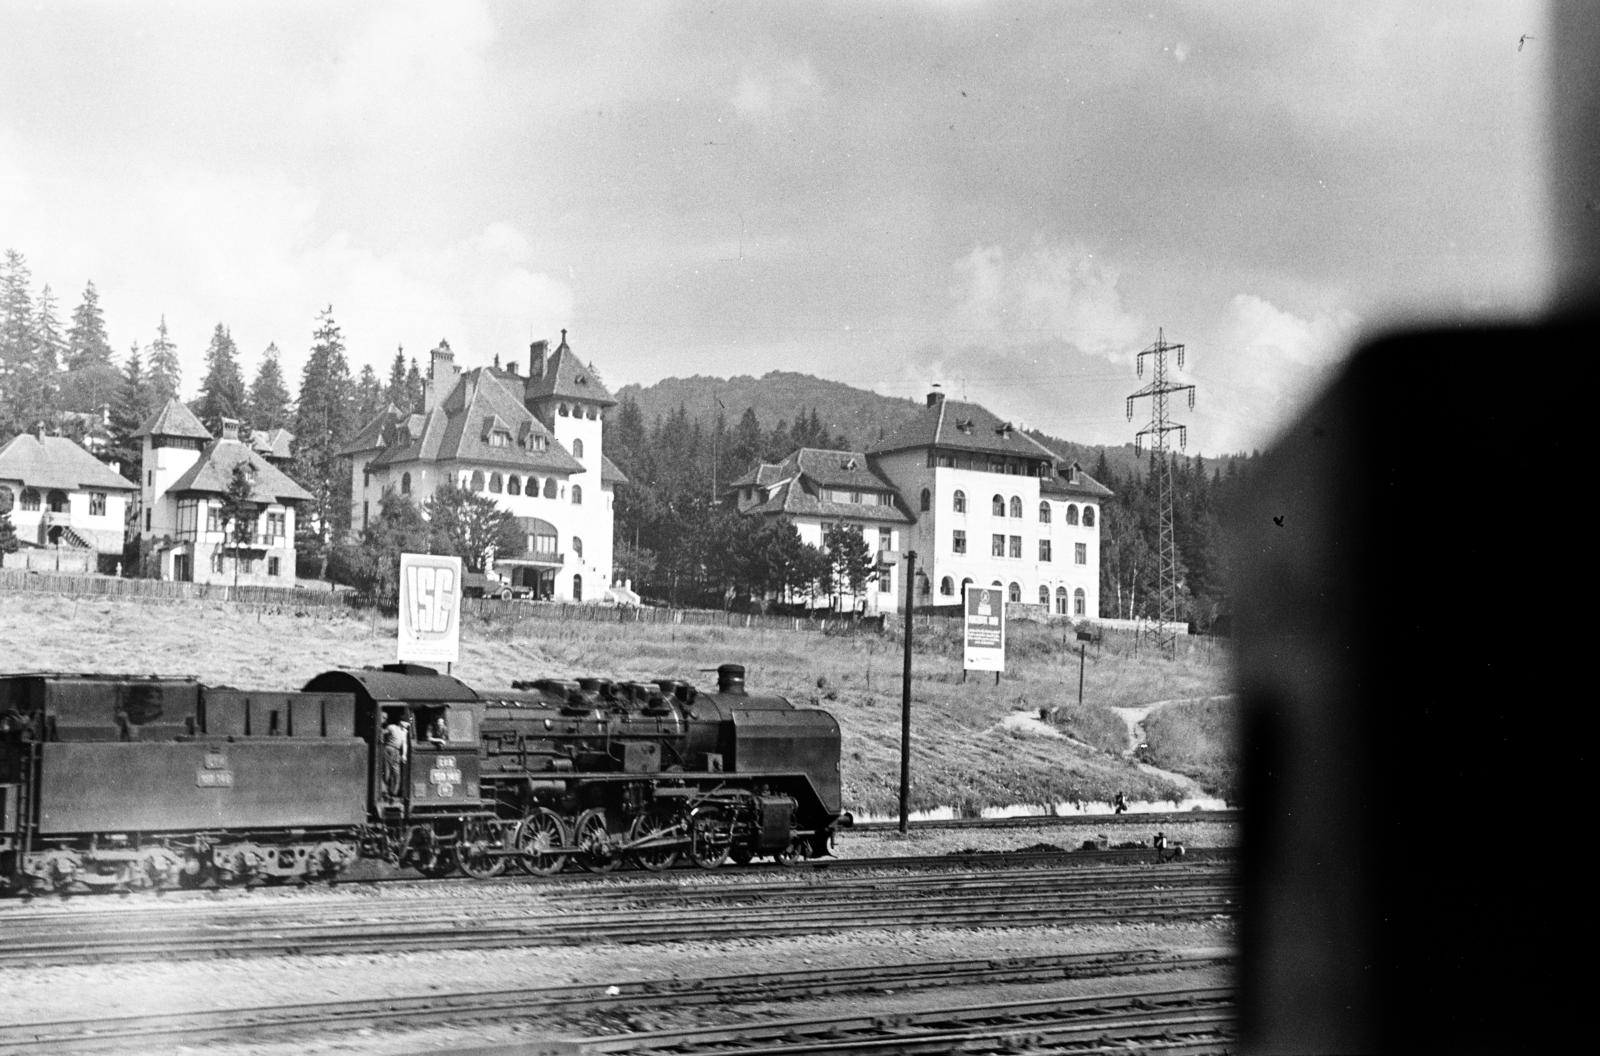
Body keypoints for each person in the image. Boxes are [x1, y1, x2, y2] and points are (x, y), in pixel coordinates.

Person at [382, 717, 409, 798]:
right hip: (388, 748)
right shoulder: (392, 727)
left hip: (397, 751)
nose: (408, 724)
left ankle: (393, 792)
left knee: (396, 772)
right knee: (386, 771)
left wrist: (404, 754)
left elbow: (404, 743)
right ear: (401, 722)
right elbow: (382, 733)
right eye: (406, 722)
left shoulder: (405, 731)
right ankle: (384, 792)